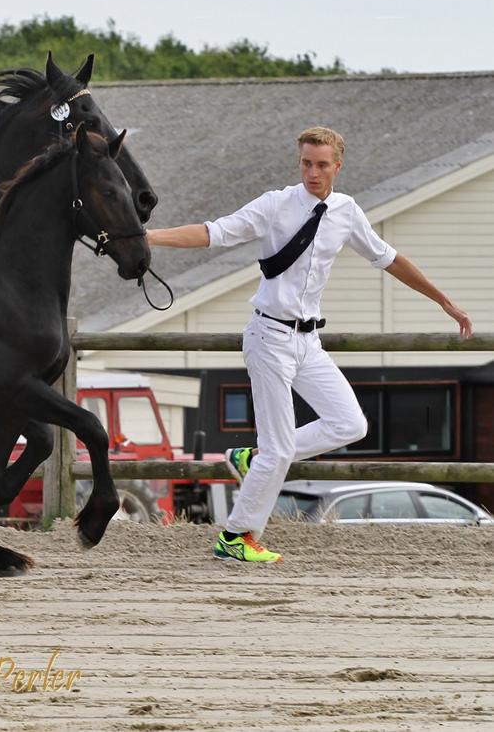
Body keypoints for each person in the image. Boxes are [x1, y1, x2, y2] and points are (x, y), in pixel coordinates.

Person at [147, 127, 473, 562]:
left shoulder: (346, 211)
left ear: (338, 166)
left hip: (308, 342)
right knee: (281, 449)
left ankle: (254, 458)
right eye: (306, 163)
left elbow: (388, 258)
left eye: (321, 165)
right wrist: (147, 237)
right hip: (268, 338)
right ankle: (236, 537)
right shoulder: (275, 204)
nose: (312, 172)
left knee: (350, 424)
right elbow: (213, 233)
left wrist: (444, 301)